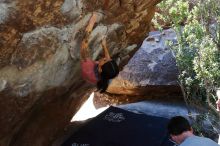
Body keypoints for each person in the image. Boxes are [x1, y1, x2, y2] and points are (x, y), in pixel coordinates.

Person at [80, 13, 119, 92]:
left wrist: (91, 23)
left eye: (104, 60)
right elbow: (108, 59)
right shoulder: (106, 74)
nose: (105, 58)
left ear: (100, 69)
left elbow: (84, 43)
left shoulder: (88, 67)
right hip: (96, 74)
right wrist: (104, 45)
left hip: (88, 70)